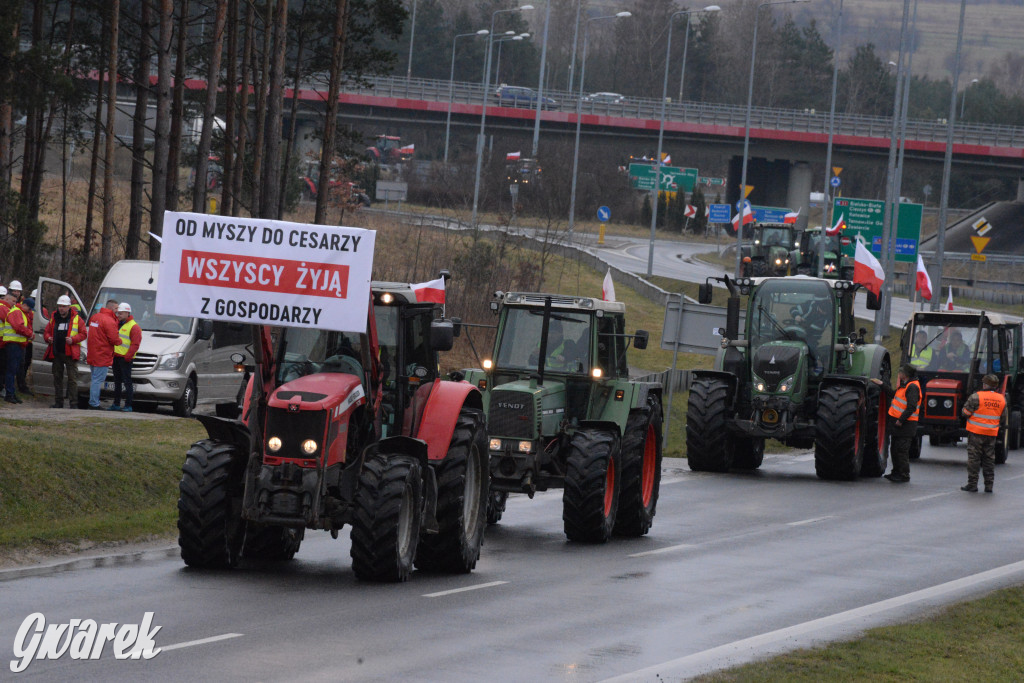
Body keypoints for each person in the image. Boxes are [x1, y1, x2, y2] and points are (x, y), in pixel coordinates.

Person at [872, 364, 921, 483]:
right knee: (894, 449)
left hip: (906, 425)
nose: (899, 374)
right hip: (898, 425)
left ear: (906, 374)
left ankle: (904, 475)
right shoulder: (905, 385)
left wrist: (900, 420)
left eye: (901, 372)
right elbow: (894, 395)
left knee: (902, 451)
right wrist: (881, 384)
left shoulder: (912, 387)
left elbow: (911, 407)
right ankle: (896, 472)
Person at [960, 374, 1006, 493]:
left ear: (985, 384)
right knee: (989, 459)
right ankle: (989, 486)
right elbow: (1003, 417)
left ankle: (972, 484)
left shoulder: (976, 397)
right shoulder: (1001, 399)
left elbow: (965, 412)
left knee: (974, 459)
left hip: (976, 433)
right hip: (991, 433)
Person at [44, 294, 86, 409]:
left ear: (69, 307)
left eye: (63, 306)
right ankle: (59, 402)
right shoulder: (54, 317)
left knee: (72, 379)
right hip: (57, 352)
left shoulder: (77, 318)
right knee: (57, 377)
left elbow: (83, 334)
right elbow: (46, 332)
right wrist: (48, 338)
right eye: (59, 306)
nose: (61, 308)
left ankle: (73, 403)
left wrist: (73, 339)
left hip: (70, 353)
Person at [2, 282, 35, 404]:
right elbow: (19, 327)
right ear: (25, 305)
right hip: (13, 345)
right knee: (11, 370)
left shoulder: (20, 312)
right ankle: (9, 394)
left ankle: (11, 393)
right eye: (30, 308)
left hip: (17, 345)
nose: (30, 311)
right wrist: (30, 334)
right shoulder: (17, 312)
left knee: (13, 370)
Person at [86, 299, 119, 409]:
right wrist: (121, 341)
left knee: (94, 378)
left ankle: (93, 401)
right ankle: (94, 403)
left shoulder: (95, 317)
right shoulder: (110, 321)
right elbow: (114, 339)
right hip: (102, 354)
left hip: (93, 353)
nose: (118, 311)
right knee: (97, 380)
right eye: (116, 308)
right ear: (111, 308)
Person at [110, 302, 141, 412]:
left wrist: (128, 357)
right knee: (117, 382)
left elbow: (135, 344)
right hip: (116, 357)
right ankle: (116, 404)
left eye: (121, 313)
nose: (119, 315)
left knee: (127, 382)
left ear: (128, 313)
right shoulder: (118, 324)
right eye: (118, 313)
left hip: (125, 358)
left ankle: (128, 405)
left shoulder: (134, 327)